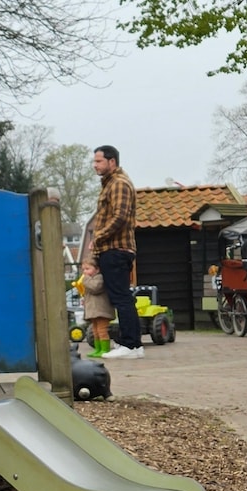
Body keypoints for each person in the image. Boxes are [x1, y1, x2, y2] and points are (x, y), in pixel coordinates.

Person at [91, 145, 143, 359]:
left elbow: (120, 217)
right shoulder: (110, 184)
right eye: (94, 162)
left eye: (99, 161)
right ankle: (131, 344)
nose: (95, 166)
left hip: (116, 249)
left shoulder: (119, 184)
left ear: (112, 162)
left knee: (121, 297)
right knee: (120, 297)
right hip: (111, 249)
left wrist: (98, 236)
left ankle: (131, 345)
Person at [79, 257, 114, 358]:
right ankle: (98, 348)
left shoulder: (99, 278)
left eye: (87, 269)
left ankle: (105, 349)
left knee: (102, 330)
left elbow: (95, 288)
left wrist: (85, 280)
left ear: (97, 269)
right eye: (83, 269)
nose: (84, 272)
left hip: (101, 310)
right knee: (95, 330)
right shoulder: (90, 280)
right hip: (93, 310)